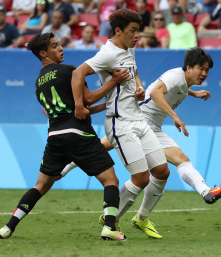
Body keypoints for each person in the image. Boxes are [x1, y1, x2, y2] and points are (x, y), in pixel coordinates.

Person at [0, 32, 130, 241]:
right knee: (110, 180)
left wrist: (106, 106)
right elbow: (88, 98)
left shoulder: (38, 83)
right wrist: (114, 80)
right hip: (78, 133)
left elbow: (71, 108)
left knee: (40, 186)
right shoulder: (69, 71)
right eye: (55, 46)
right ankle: (109, 227)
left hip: (55, 136)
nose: (61, 48)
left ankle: (8, 227)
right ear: (43, 53)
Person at [60, 48, 221, 206]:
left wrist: (194, 93)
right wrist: (175, 116)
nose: (204, 73)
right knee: (105, 150)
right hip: (137, 120)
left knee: (179, 160)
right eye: (201, 69)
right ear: (188, 67)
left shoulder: (183, 80)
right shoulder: (174, 76)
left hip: (152, 126)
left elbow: (179, 87)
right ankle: (67, 166)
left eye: (207, 70)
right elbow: (155, 92)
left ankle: (205, 192)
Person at [71, 8, 171, 240]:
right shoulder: (107, 54)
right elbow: (78, 74)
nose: (137, 36)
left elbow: (133, 70)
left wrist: (138, 86)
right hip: (120, 123)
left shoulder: (129, 48)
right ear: (118, 31)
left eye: (138, 30)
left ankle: (126, 217)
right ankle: (110, 223)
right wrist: (79, 105)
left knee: (162, 171)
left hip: (138, 119)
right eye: (133, 31)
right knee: (141, 178)